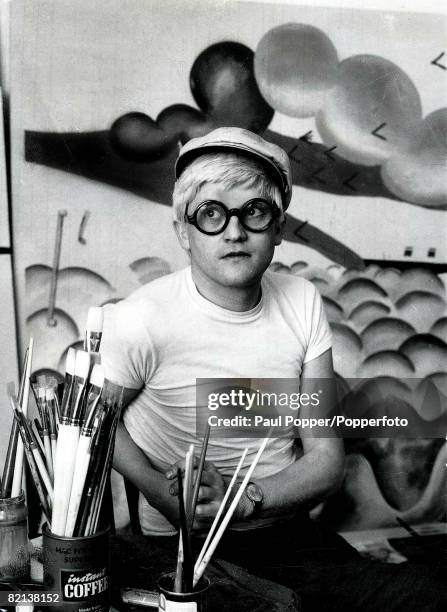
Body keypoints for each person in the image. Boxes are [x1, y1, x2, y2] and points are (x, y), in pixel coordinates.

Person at [101, 128, 445, 611]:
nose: (234, 232)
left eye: (254, 212)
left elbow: (325, 461)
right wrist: (161, 494)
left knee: (427, 596)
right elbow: (95, 422)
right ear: (183, 230)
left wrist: (244, 500)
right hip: (179, 548)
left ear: (278, 227)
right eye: (212, 214)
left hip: (284, 534)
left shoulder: (302, 301)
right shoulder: (141, 317)